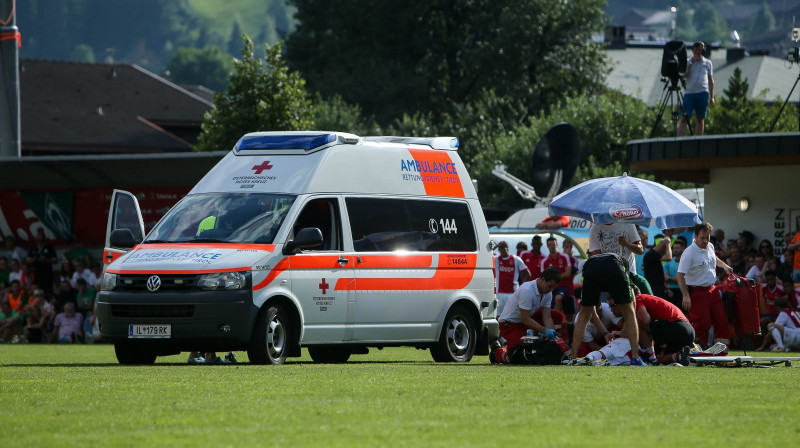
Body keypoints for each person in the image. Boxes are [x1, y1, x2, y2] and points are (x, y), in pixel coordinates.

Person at [570, 252, 646, 365]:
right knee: (630, 313)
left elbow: (589, 312)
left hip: (591, 267)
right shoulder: (621, 267)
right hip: (613, 266)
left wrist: (605, 333)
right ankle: (635, 357)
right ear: (626, 270)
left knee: (583, 314)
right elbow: (631, 309)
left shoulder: (593, 262)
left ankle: (573, 357)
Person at [677, 222, 733, 348]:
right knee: (702, 323)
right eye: (702, 238)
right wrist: (685, 295)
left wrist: (725, 266)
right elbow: (680, 275)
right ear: (695, 236)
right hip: (697, 292)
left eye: (707, 237)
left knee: (721, 320)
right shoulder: (689, 253)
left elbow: (714, 259)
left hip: (712, 290)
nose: (705, 240)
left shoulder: (710, 246)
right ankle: (694, 349)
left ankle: (721, 352)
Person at [490, 266, 563, 364]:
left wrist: (552, 338)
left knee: (557, 316)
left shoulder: (547, 292)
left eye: (554, 287)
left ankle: (548, 345)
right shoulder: (527, 290)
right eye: (550, 286)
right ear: (542, 279)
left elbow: (547, 317)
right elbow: (525, 319)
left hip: (525, 318)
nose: (551, 290)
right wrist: (545, 330)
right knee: (518, 356)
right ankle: (498, 352)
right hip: (510, 323)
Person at [611, 291, 695, 364]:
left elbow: (645, 320)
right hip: (689, 330)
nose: (611, 310)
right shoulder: (647, 299)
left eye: (613, 306)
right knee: (661, 360)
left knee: (637, 324)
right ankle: (680, 355)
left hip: (677, 327)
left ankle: (651, 357)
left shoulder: (637, 299)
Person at [677, 41, 714, 137]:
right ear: (693, 50)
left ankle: (698, 139)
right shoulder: (688, 61)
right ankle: (679, 138)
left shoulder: (708, 63)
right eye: (696, 50)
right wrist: (691, 63)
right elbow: (684, 75)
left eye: (700, 50)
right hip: (690, 93)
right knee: (685, 116)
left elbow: (710, 80)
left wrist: (712, 97)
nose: (698, 52)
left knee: (700, 118)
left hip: (702, 92)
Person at [494, 241, 530, 317]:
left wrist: (522, 287)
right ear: (499, 250)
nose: (504, 249)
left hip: (512, 293)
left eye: (506, 246)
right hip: (499, 293)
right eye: (501, 247)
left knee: (513, 316)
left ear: (508, 248)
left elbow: (527, 274)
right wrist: (494, 247)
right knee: (498, 316)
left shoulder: (516, 259)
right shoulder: (495, 260)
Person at [540, 237, 570, 314]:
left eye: (553, 244)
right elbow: (544, 277)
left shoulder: (564, 257)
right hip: (551, 287)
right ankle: (554, 322)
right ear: (547, 247)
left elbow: (568, 273)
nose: (552, 246)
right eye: (550, 245)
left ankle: (557, 320)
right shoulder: (545, 261)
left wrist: (555, 278)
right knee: (548, 306)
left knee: (558, 298)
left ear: (556, 245)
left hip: (564, 286)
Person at [643, 231, 674, 300]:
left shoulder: (654, 254)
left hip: (659, 288)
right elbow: (669, 257)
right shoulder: (651, 254)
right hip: (654, 290)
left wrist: (666, 288)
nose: (666, 250)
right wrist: (668, 244)